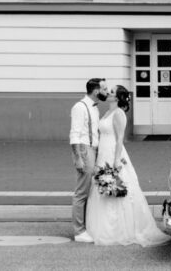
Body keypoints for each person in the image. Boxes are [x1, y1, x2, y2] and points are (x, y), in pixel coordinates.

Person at [85, 85, 171, 247]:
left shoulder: (118, 114)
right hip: (103, 153)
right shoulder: (107, 112)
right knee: (103, 188)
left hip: (112, 153)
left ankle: (121, 230)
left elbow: (119, 139)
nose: (107, 93)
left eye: (111, 92)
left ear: (117, 98)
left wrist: (116, 160)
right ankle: (104, 228)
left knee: (117, 187)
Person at [70, 78, 108, 243]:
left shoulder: (95, 108)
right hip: (85, 150)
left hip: (93, 150)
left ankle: (85, 226)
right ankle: (79, 231)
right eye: (104, 89)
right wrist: (78, 158)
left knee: (90, 190)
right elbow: (74, 134)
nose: (106, 92)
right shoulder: (80, 107)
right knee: (81, 192)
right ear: (95, 91)